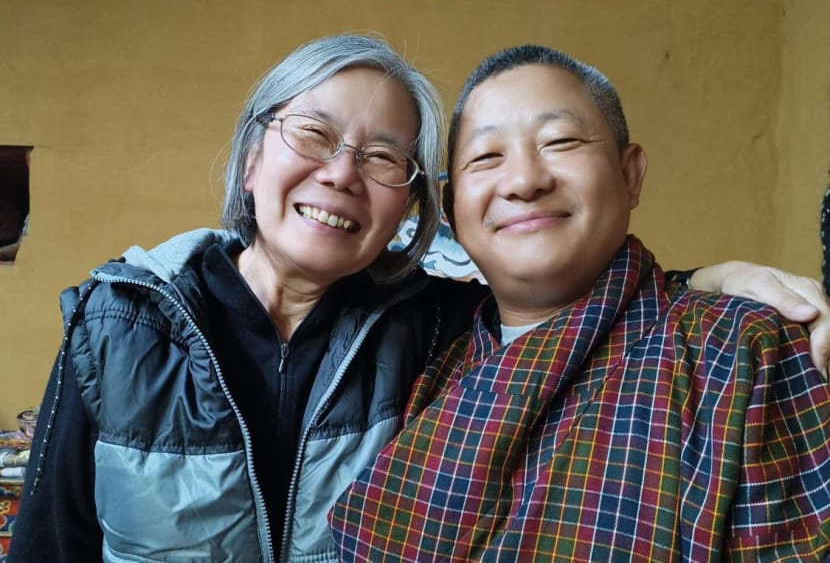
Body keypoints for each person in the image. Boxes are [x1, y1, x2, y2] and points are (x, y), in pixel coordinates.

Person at [9, 34, 830, 563]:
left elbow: (575, 294)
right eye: (314, 134)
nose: (341, 173)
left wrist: (710, 282)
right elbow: (49, 542)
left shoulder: (422, 326)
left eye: (382, 157)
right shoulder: (123, 319)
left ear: (410, 204)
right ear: (253, 158)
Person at [330, 45, 830, 561]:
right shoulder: (432, 361)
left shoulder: (741, 350)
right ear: (453, 209)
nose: (524, 181)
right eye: (486, 157)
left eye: (560, 142)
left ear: (630, 175)